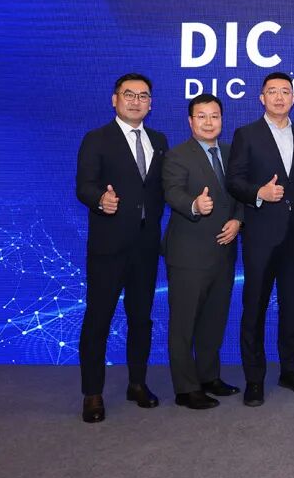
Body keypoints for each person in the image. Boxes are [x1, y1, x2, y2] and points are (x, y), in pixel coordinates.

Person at [75, 73, 168, 423]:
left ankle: (137, 383)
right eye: (129, 94)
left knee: (141, 319)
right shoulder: (96, 139)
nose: (135, 101)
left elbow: (160, 190)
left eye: (143, 96)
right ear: (115, 99)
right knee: (98, 319)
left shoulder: (159, 140)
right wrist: (101, 199)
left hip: (146, 246)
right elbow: (83, 185)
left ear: (150, 104)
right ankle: (92, 393)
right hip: (109, 246)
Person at [227, 72, 294, 407]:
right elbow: (234, 180)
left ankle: (290, 371)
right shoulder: (247, 134)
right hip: (261, 236)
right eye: (272, 92)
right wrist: (259, 193)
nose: (280, 97)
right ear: (262, 98)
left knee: (292, 308)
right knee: (254, 307)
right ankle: (254, 379)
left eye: (286, 91)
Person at [161, 94, 243, 410]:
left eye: (214, 116)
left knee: (214, 320)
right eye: (202, 116)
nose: (209, 122)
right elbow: (173, 193)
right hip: (189, 254)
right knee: (184, 324)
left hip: (224, 252)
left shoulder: (231, 152)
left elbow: (241, 193)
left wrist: (238, 220)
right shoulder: (177, 155)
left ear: (222, 119)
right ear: (190, 121)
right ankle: (186, 388)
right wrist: (195, 204)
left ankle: (209, 377)